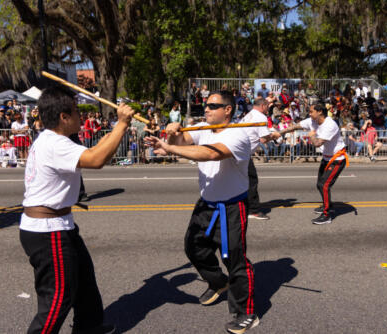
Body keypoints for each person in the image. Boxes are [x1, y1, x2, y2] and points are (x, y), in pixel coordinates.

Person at [20, 85, 136, 334]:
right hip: (48, 231)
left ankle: (88, 326)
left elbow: (94, 151)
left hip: (59, 224)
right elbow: (96, 160)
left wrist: (118, 125)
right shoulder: (56, 144)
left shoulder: (53, 139)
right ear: (64, 117)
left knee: (84, 280)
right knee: (58, 297)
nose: (80, 117)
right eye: (76, 112)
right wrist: (122, 125)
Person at [144, 90, 259, 333]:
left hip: (231, 206)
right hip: (206, 202)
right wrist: (172, 134)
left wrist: (169, 147)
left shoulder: (237, 134)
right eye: (206, 105)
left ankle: (246, 312)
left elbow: (208, 152)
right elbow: (182, 145)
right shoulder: (202, 127)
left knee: (234, 260)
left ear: (228, 110)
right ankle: (219, 283)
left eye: (213, 106)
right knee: (193, 247)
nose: (206, 109)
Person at [281, 102, 348, 225]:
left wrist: (311, 136)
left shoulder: (330, 125)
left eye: (311, 111)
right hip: (327, 158)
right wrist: (281, 132)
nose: (309, 114)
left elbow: (317, 143)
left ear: (320, 112)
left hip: (337, 160)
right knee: (319, 184)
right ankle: (328, 205)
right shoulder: (312, 121)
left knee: (324, 185)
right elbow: (296, 126)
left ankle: (327, 215)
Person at [241, 98, 281, 220]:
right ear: (263, 106)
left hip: (240, 151)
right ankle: (253, 211)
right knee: (252, 181)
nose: (268, 109)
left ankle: (243, 207)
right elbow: (263, 139)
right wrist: (274, 136)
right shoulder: (261, 117)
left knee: (243, 182)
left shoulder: (249, 115)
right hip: (243, 154)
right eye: (268, 106)